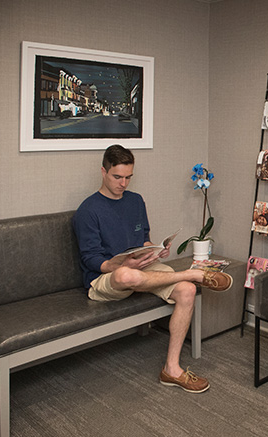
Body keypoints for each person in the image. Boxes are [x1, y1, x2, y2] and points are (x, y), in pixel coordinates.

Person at [73, 144, 232, 394]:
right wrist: (122, 264)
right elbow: (93, 260)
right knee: (127, 274)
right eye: (117, 177)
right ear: (103, 171)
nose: (123, 183)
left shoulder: (136, 201)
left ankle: (172, 369)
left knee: (187, 291)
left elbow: (143, 239)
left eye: (128, 177)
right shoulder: (88, 210)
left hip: (142, 270)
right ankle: (194, 272)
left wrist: (155, 250)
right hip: (105, 279)